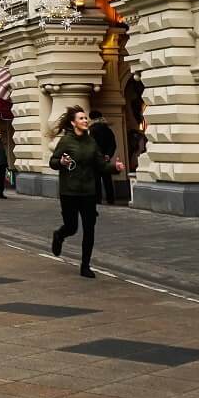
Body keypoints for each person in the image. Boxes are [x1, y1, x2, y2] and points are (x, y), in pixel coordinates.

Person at [48, 105, 124, 278]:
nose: (85, 120)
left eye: (85, 118)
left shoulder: (91, 142)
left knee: (89, 229)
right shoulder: (66, 141)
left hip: (89, 192)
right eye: (81, 118)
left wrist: (115, 167)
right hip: (69, 192)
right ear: (73, 122)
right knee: (72, 227)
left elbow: (101, 165)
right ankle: (59, 235)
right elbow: (53, 162)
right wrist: (61, 162)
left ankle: (85, 266)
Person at [90, 117, 119, 203]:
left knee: (96, 180)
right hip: (105, 159)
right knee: (107, 180)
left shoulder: (92, 130)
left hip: (95, 159)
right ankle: (110, 199)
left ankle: (97, 199)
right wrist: (108, 155)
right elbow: (113, 144)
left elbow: (92, 145)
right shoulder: (108, 130)